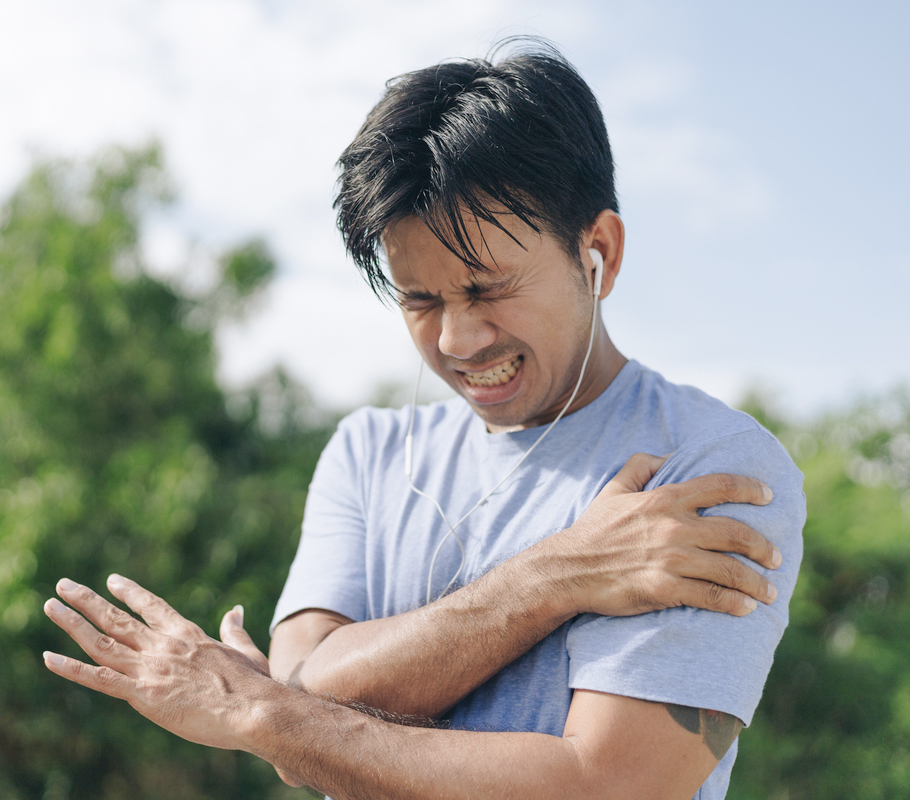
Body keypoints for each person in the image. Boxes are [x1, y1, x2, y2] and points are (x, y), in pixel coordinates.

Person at [42, 42, 804, 800]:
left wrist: (261, 710)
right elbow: (304, 688)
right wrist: (559, 574)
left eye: (487, 288)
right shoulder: (368, 452)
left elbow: (601, 786)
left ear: (598, 251)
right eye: (421, 300)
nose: (457, 340)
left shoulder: (707, 468)